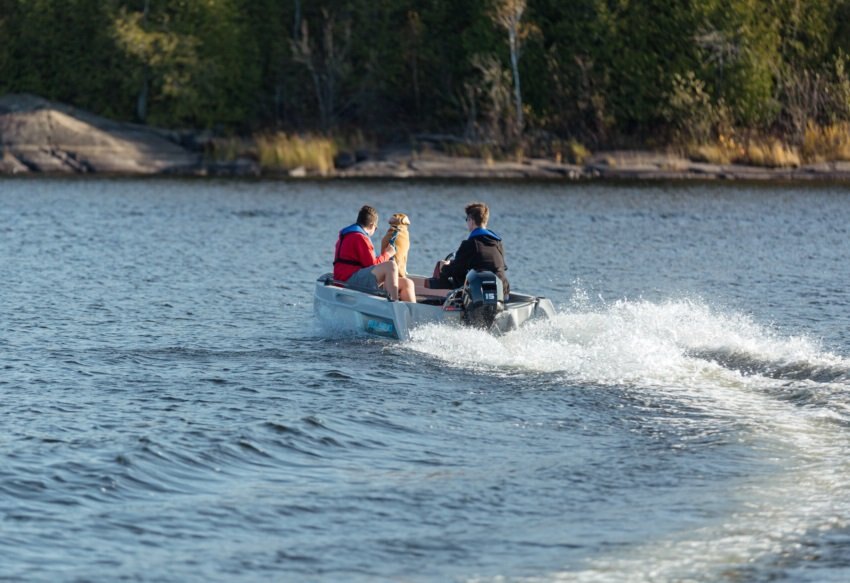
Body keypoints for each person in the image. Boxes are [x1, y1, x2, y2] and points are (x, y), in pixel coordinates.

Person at [334, 205, 416, 302]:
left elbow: (367, 264)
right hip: (348, 280)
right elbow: (372, 264)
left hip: (347, 278)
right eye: (376, 228)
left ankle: (411, 314)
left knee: (407, 283)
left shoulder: (348, 234)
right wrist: (388, 254)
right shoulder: (360, 238)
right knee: (391, 266)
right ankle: (394, 304)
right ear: (373, 225)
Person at [429, 201, 510, 296]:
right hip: (503, 291)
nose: (467, 222)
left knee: (452, 274)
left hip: (482, 293)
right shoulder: (497, 243)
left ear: (471, 220)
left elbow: (456, 269)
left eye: (467, 219)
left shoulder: (470, 244)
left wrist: (444, 267)